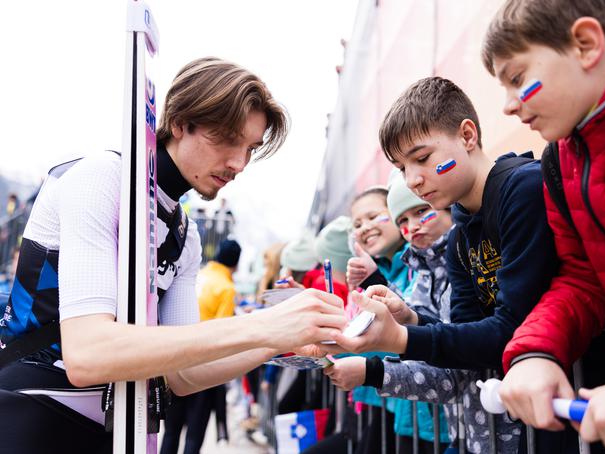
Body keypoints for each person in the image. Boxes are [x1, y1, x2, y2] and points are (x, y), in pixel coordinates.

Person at [0, 57, 346, 453]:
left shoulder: (186, 232)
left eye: (250, 148)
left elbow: (185, 373)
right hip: (32, 412)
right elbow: (88, 354)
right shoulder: (101, 179)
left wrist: (283, 339)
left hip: (118, 431)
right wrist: (267, 326)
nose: (239, 163)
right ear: (181, 122)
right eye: (228, 139)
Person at [322, 76, 576, 452]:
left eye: (422, 159)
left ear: (468, 135)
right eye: (402, 167)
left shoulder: (522, 191)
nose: (412, 180)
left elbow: (511, 330)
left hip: (561, 421)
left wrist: (401, 338)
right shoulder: (460, 234)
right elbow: (468, 340)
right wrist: (409, 319)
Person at [480, 1, 605, 452]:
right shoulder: (562, 163)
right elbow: (585, 276)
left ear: (586, 44)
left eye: (516, 78)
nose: (509, 106)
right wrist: (536, 349)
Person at [327, 171, 456, 451]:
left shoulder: (423, 266)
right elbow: (410, 328)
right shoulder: (412, 269)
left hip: (443, 416)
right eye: (357, 223)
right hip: (407, 408)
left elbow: (417, 333)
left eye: (374, 216)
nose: (364, 228)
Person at [160, 238, 242, 453]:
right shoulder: (227, 288)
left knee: (170, 432)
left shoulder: (199, 275)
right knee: (194, 436)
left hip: (174, 361)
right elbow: (221, 334)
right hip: (202, 367)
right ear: (235, 265)